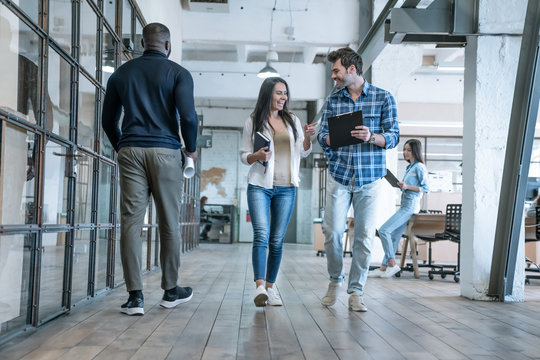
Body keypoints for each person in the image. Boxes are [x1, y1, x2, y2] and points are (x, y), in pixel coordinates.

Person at [102, 23, 198, 316]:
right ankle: (170, 291)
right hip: (166, 152)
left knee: (131, 223)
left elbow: (108, 121)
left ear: (143, 43)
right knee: (169, 222)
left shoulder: (121, 74)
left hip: (131, 150)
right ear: (167, 45)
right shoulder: (178, 74)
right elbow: (189, 118)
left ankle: (135, 298)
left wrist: (123, 147)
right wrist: (190, 149)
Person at [317, 47, 399, 312]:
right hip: (340, 175)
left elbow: (394, 136)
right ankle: (334, 280)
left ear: (352, 69)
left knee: (363, 237)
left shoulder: (383, 98)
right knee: (332, 233)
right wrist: (328, 140)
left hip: (370, 177)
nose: (334, 76)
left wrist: (371, 136)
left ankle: (356, 290)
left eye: (336, 70)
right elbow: (322, 136)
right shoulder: (333, 100)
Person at [240, 77, 316, 307]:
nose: (283, 97)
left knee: (276, 240)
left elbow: (303, 153)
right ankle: (260, 287)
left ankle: (271, 288)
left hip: (287, 188)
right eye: (278, 93)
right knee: (261, 234)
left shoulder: (293, 120)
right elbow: (244, 156)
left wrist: (308, 139)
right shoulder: (253, 122)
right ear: (268, 95)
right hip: (259, 186)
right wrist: (257, 156)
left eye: (285, 93)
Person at [369, 139, 430, 278]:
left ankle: (391, 264)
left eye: (409, 150)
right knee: (394, 237)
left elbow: (426, 189)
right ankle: (383, 268)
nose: (405, 152)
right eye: (404, 150)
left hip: (410, 206)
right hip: (405, 204)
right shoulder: (409, 167)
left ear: (415, 151)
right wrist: (401, 185)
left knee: (384, 230)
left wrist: (407, 187)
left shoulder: (419, 167)